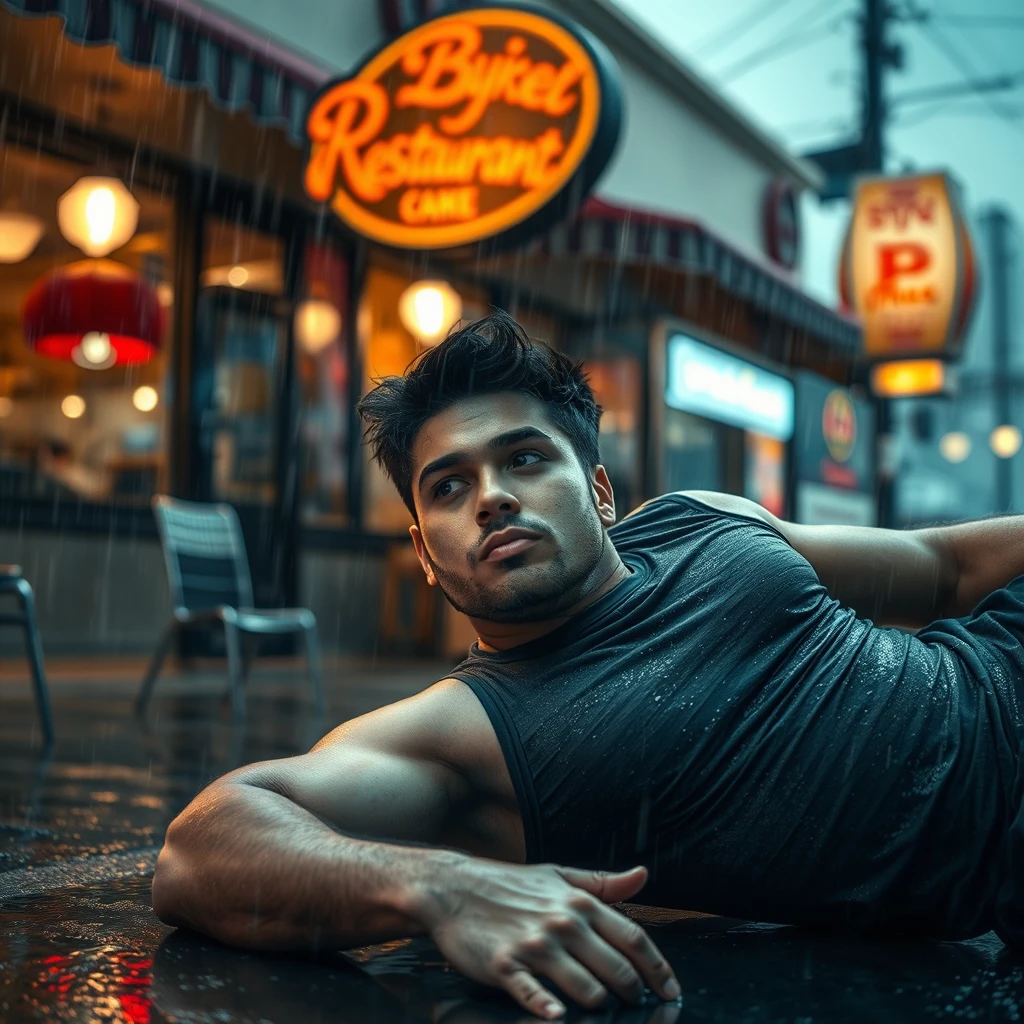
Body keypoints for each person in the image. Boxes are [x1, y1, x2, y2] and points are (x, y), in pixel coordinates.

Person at [153, 311, 1024, 1020]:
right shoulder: (461, 730)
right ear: (425, 552)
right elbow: (198, 849)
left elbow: (943, 567)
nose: (492, 495)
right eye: (448, 486)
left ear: (601, 493)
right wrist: (439, 888)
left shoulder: (702, 519)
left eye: (524, 458)